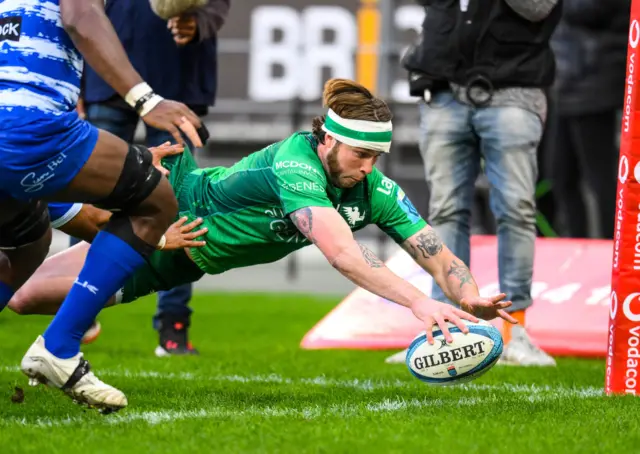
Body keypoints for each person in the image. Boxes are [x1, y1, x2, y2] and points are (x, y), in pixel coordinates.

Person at [9, 79, 517, 364]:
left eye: (377, 157)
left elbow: (434, 250)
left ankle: (77, 294)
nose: (369, 167)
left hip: (185, 258)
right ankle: (23, 201)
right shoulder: (295, 163)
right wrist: (419, 303)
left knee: (25, 298)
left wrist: (466, 295)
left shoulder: (373, 189)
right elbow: (341, 253)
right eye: (361, 153)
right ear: (329, 141)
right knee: (38, 191)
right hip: (172, 209)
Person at [0, 0, 205, 413]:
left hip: (18, 130)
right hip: (28, 128)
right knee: (156, 202)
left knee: (29, 240)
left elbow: (83, 217)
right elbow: (80, 14)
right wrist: (147, 101)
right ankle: (59, 346)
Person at [399, 0, 562, 366]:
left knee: (516, 211)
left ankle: (514, 330)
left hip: (514, 94)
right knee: (445, 212)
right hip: (442, 92)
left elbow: (538, 7)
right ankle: (443, 328)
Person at [76, 0, 230, 357]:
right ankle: (78, 307)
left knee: (179, 201)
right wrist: (76, 83)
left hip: (172, 78)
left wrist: (199, 21)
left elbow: (215, 4)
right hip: (106, 76)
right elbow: (78, 11)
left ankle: (173, 323)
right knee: (91, 195)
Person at [547, 0, 630, 239]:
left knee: (601, 178)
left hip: (594, 81)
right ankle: (576, 245)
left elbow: (590, 10)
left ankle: (612, 247)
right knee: (560, 174)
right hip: (567, 82)